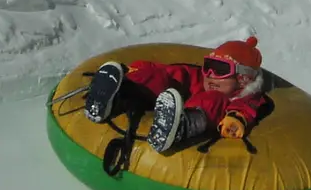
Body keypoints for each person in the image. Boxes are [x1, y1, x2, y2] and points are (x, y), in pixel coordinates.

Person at [83, 36, 266, 154]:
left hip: (199, 114)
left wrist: (236, 119)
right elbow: (175, 72)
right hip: (173, 102)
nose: (210, 74)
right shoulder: (204, 79)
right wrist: (140, 70)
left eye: (220, 69)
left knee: (213, 99)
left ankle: (179, 127)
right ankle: (115, 96)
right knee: (167, 77)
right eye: (208, 65)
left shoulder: (245, 97)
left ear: (242, 80)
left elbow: (245, 108)